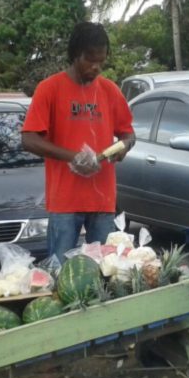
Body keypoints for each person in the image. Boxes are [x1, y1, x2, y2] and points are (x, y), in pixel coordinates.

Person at [21, 22, 135, 259]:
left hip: (103, 200)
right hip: (65, 201)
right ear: (75, 55)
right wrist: (73, 157)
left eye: (101, 61)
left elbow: (128, 133)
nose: (95, 67)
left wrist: (123, 147)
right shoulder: (49, 89)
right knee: (61, 271)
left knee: (106, 270)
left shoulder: (109, 90)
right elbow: (29, 139)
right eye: (89, 59)